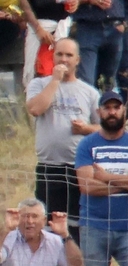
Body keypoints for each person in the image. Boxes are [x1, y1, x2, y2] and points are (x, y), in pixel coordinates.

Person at [30, 38, 97, 239]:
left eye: (69, 55)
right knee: (48, 224)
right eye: (59, 54)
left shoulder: (90, 92)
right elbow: (35, 109)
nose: (64, 59)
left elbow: (105, 130)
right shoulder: (39, 84)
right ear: (53, 56)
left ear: (77, 60)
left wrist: (86, 129)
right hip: (49, 167)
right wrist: (55, 81)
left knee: (75, 224)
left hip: (78, 169)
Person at [74, 87, 128, 266]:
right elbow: (87, 186)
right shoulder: (87, 144)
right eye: (107, 108)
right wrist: (123, 184)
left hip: (127, 226)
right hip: (95, 226)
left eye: (116, 107)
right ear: (99, 112)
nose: (112, 112)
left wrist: (106, 178)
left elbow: (98, 183)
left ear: (124, 110)